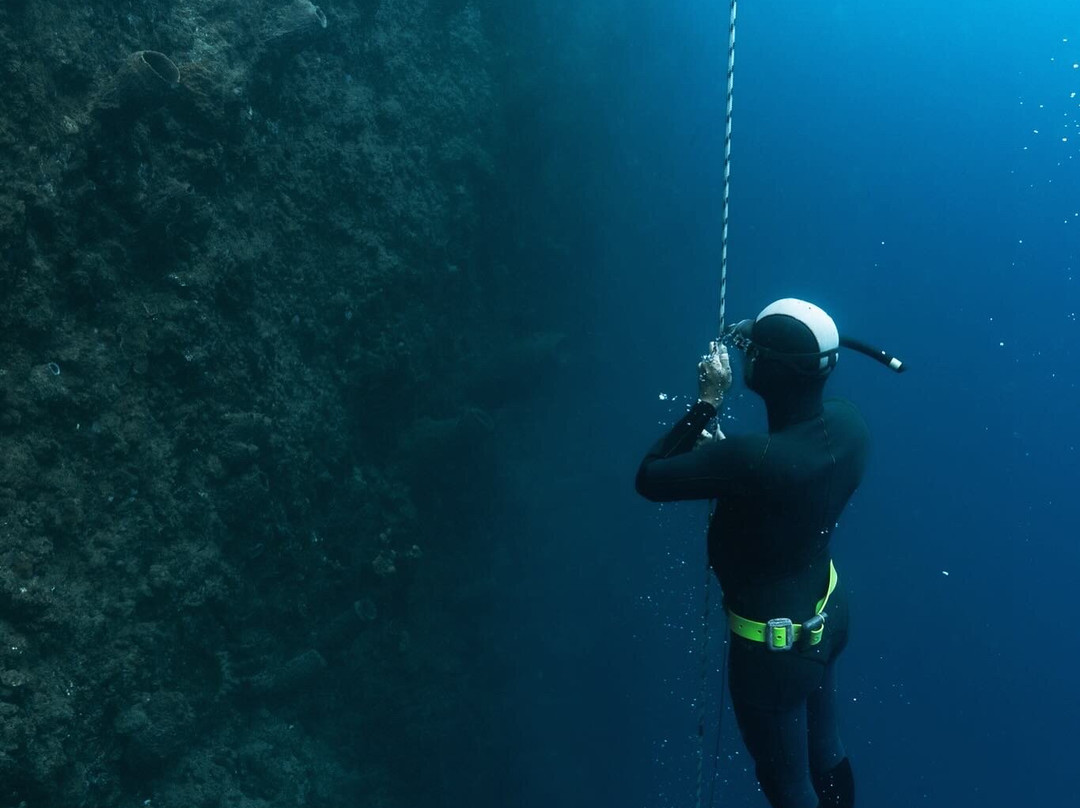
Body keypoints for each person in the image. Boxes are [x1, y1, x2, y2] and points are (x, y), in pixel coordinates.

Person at [636, 298, 870, 808]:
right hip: (829, 612)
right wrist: (737, 467)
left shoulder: (751, 460)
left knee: (789, 788)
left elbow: (650, 478)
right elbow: (791, 479)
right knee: (826, 749)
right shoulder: (850, 425)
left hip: (774, 654)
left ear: (764, 369)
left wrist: (705, 403)